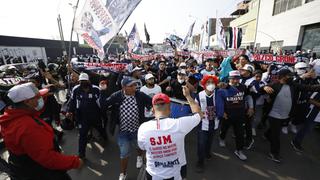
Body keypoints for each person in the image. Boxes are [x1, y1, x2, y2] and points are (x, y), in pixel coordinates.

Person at [0, 83, 82, 180]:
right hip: (42, 173)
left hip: (24, 171)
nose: (41, 99)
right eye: (38, 97)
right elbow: (48, 158)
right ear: (27, 102)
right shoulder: (28, 126)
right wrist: (75, 162)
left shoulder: (11, 117)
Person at [137, 88, 203, 180]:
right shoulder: (179, 124)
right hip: (177, 172)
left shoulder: (143, 128)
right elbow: (199, 114)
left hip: (153, 174)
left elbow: (142, 147)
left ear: (152, 110)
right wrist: (188, 96)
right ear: (170, 109)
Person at [99, 77, 152, 180]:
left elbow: (152, 101)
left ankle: (139, 157)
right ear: (124, 87)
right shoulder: (117, 96)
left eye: (135, 85)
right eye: (131, 86)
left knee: (139, 147)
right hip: (123, 132)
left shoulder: (140, 95)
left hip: (138, 130)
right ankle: (123, 173)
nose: (134, 87)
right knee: (124, 154)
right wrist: (102, 91)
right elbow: (104, 104)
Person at [263, 69, 320, 163]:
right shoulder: (274, 85)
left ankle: (266, 135)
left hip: (286, 115)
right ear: (283, 76)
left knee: (274, 129)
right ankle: (274, 153)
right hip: (273, 114)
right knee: (276, 135)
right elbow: (259, 89)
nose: (291, 77)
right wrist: (264, 87)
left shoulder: (294, 85)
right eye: (289, 76)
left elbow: (309, 88)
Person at [66, 73, 107, 159]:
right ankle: (81, 154)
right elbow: (72, 101)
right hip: (82, 117)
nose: (83, 83)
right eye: (81, 81)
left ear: (88, 81)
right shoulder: (76, 89)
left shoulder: (96, 89)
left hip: (95, 116)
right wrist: (69, 111)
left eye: (85, 81)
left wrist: (103, 113)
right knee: (82, 135)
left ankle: (105, 138)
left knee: (100, 129)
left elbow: (102, 103)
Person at [218, 70, 249, 161]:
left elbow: (248, 97)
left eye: (237, 79)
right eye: (233, 79)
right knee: (224, 128)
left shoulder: (243, 87)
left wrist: (251, 107)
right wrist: (222, 112)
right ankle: (222, 138)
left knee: (240, 133)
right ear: (229, 79)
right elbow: (220, 102)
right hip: (227, 115)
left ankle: (239, 150)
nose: (236, 81)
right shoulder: (223, 88)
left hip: (240, 114)